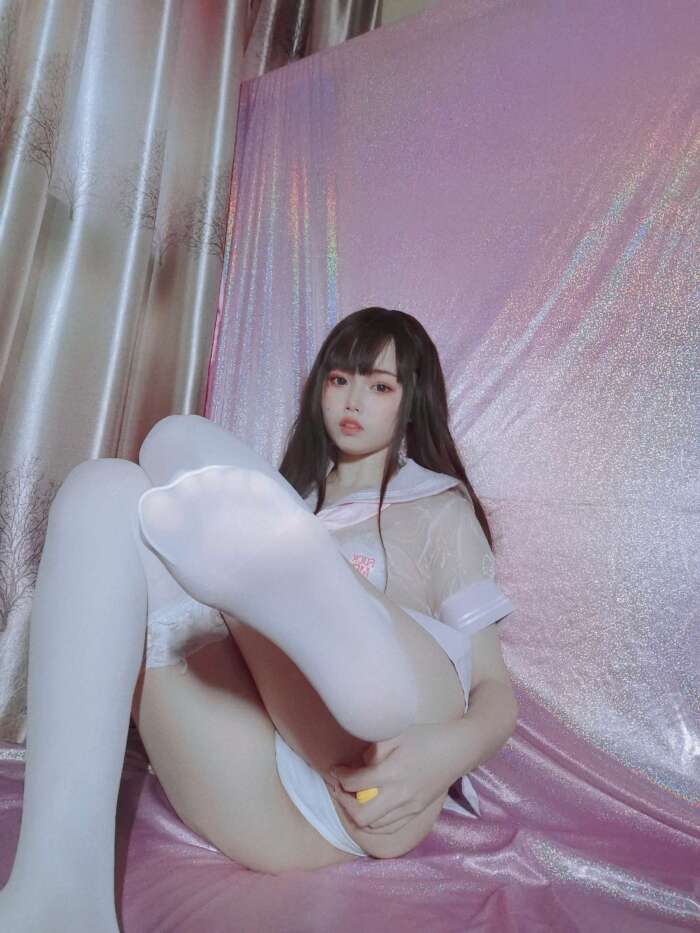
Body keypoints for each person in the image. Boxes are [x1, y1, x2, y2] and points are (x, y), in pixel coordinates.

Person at [0, 307, 518, 932]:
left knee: (179, 445)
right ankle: (57, 893)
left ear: (413, 404)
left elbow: (492, 684)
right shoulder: (264, 508)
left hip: (395, 765)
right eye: (339, 380)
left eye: (379, 386)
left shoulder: (436, 506)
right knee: (103, 488)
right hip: (279, 800)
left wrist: (445, 754)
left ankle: (365, 678)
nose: (353, 400)